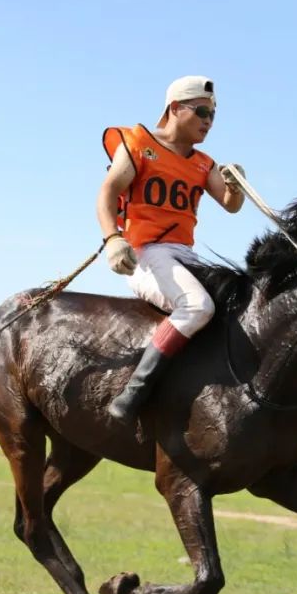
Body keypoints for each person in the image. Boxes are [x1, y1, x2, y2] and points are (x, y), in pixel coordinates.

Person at [97, 75, 246, 424]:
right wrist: (112, 239)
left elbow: (229, 203)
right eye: (202, 112)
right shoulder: (138, 143)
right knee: (197, 306)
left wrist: (236, 186)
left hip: (185, 255)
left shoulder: (204, 163)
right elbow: (107, 192)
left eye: (213, 116)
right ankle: (133, 392)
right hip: (148, 254)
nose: (209, 122)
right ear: (176, 108)